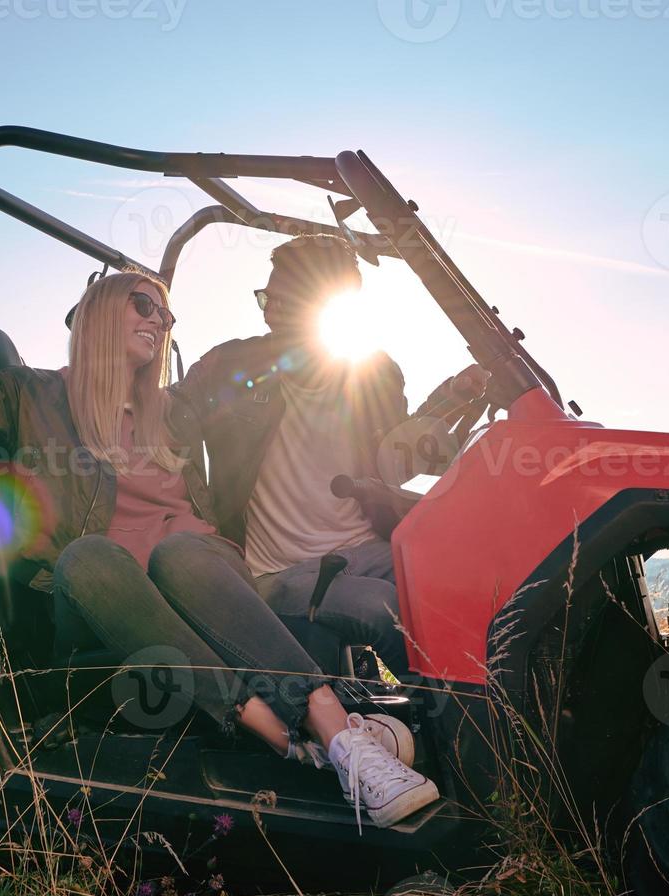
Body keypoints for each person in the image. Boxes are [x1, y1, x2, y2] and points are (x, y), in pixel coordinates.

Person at [0, 262, 439, 830]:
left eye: (167, 313)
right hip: (106, 609)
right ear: (96, 314)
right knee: (92, 555)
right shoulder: (34, 396)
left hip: (203, 588)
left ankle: (338, 743)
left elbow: (268, 368)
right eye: (144, 304)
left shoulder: (175, 409)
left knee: (180, 552)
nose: (160, 319)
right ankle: (292, 742)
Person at [173, 234, 466, 677]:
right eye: (264, 297)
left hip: (366, 547)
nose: (269, 309)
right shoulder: (226, 368)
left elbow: (396, 454)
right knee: (387, 611)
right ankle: (459, 733)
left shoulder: (376, 373)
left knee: (460, 571)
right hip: (276, 571)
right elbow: (165, 413)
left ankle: (512, 714)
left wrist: (452, 400)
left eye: (281, 298)